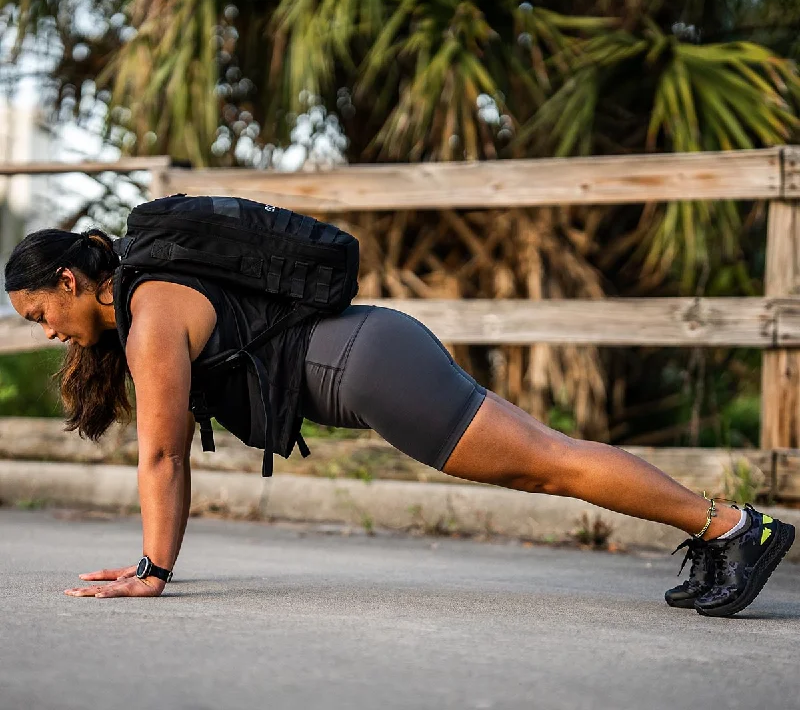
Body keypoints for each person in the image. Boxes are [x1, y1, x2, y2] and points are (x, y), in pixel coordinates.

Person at [4, 226, 795, 616]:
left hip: (373, 369)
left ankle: (734, 529)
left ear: (72, 280)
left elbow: (165, 459)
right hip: (377, 349)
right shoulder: (153, 292)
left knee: (547, 462)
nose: (47, 331)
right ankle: (724, 532)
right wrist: (153, 564)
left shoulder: (150, 317)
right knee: (548, 456)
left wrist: (152, 571)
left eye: (42, 312)